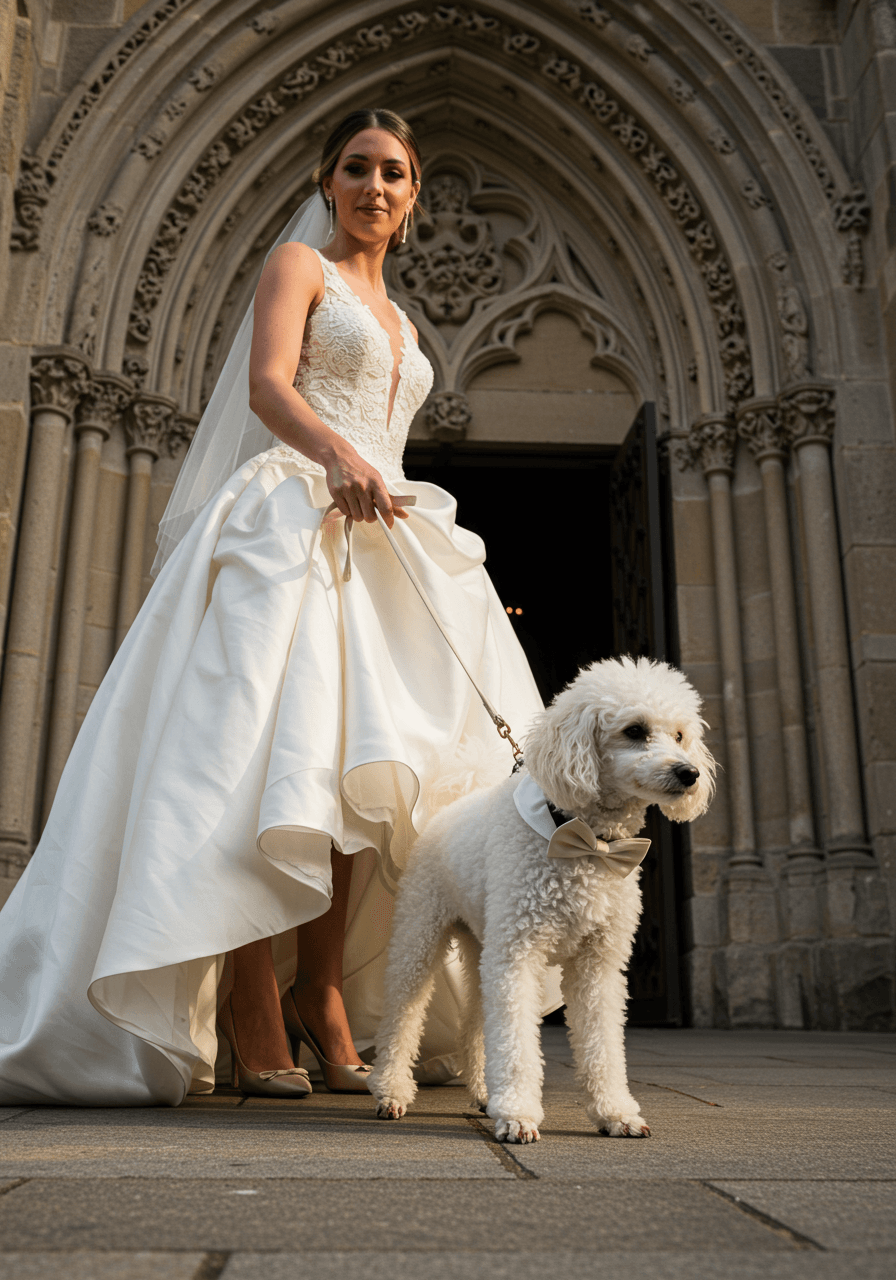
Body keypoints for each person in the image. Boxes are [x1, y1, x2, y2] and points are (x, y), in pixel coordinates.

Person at [0, 109, 553, 1106]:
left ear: (415, 195)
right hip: (289, 520)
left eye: (393, 173)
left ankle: (321, 990)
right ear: (325, 178)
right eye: (355, 169)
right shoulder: (298, 265)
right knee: (265, 757)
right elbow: (267, 387)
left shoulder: (405, 321)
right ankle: (251, 990)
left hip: (380, 536)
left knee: (361, 775)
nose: (374, 187)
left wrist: (370, 472)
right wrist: (337, 455)